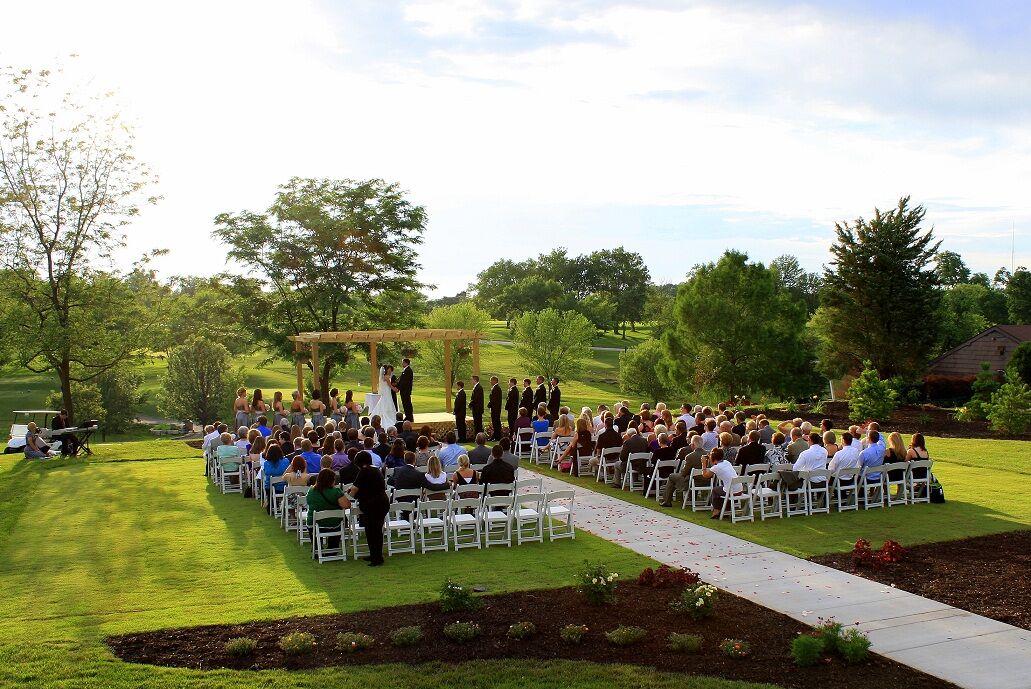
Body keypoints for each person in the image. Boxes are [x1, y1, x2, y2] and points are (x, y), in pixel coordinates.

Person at [341, 451, 390, 566]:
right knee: (377, 531)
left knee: (371, 531)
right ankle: (376, 555)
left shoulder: (363, 472)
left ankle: (376, 558)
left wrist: (351, 493)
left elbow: (354, 491)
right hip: (382, 502)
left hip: (372, 505)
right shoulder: (375, 470)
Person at [305, 468, 349, 551]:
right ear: (332, 480)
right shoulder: (336, 491)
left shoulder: (311, 491)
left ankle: (317, 547)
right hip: (334, 523)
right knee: (340, 522)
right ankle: (332, 548)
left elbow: (308, 502)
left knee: (312, 524)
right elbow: (346, 505)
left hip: (314, 524)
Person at [660, 435, 706, 506]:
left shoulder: (690, 456)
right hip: (707, 481)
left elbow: (684, 473)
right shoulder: (708, 454)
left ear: (693, 445)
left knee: (672, 476)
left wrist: (681, 473)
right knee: (678, 477)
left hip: (692, 482)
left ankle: (667, 501)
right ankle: (689, 498)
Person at [702, 447, 739, 519]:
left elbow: (705, 475)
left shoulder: (716, 467)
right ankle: (726, 509)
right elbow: (716, 467)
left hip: (731, 490)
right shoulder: (726, 462)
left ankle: (716, 511)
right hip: (738, 489)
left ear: (714, 458)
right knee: (722, 489)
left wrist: (704, 464)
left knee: (715, 490)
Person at [261, 444, 291, 510]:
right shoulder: (286, 461)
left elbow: (268, 475)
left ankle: (271, 503)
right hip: (285, 486)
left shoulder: (266, 463)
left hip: (273, 487)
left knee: (268, 484)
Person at [398, 358, 414, 422]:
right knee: (405, 403)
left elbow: (404, 382)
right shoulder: (406, 370)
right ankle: (408, 416)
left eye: (403, 362)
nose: (402, 364)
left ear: (406, 363)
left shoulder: (408, 370)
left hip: (406, 391)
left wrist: (398, 387)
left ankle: (409, 417)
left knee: (407, 403)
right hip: (404, 390)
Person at [487, 375, 503, 441]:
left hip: (495, 409)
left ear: (494, 381)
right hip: (495, 408)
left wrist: (489, 405)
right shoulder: (495, 388)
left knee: (496, 422)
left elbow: (494, 399)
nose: (490, 382)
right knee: (495, 422)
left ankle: (497, 436)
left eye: (491, 380)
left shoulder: (496, 388)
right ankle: (495, 436)